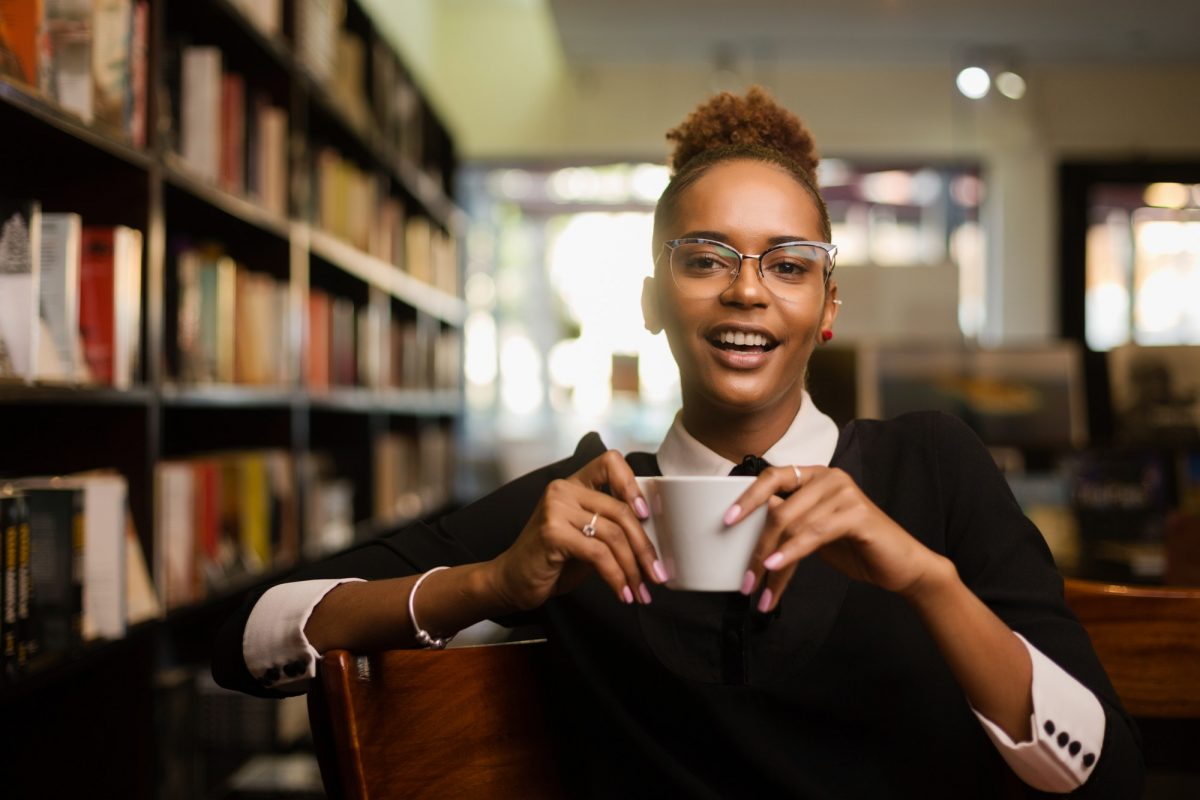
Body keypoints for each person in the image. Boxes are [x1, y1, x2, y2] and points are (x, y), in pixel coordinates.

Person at [213, 87, 1143, 798]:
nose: (747, 291)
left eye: (788, 264)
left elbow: (1103, 773)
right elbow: (248, 638)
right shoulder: (584, 504)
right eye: (706, 259)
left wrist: (926, 580)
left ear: (827, 309)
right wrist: (493, 584)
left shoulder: (929, 465)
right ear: (654, 302)